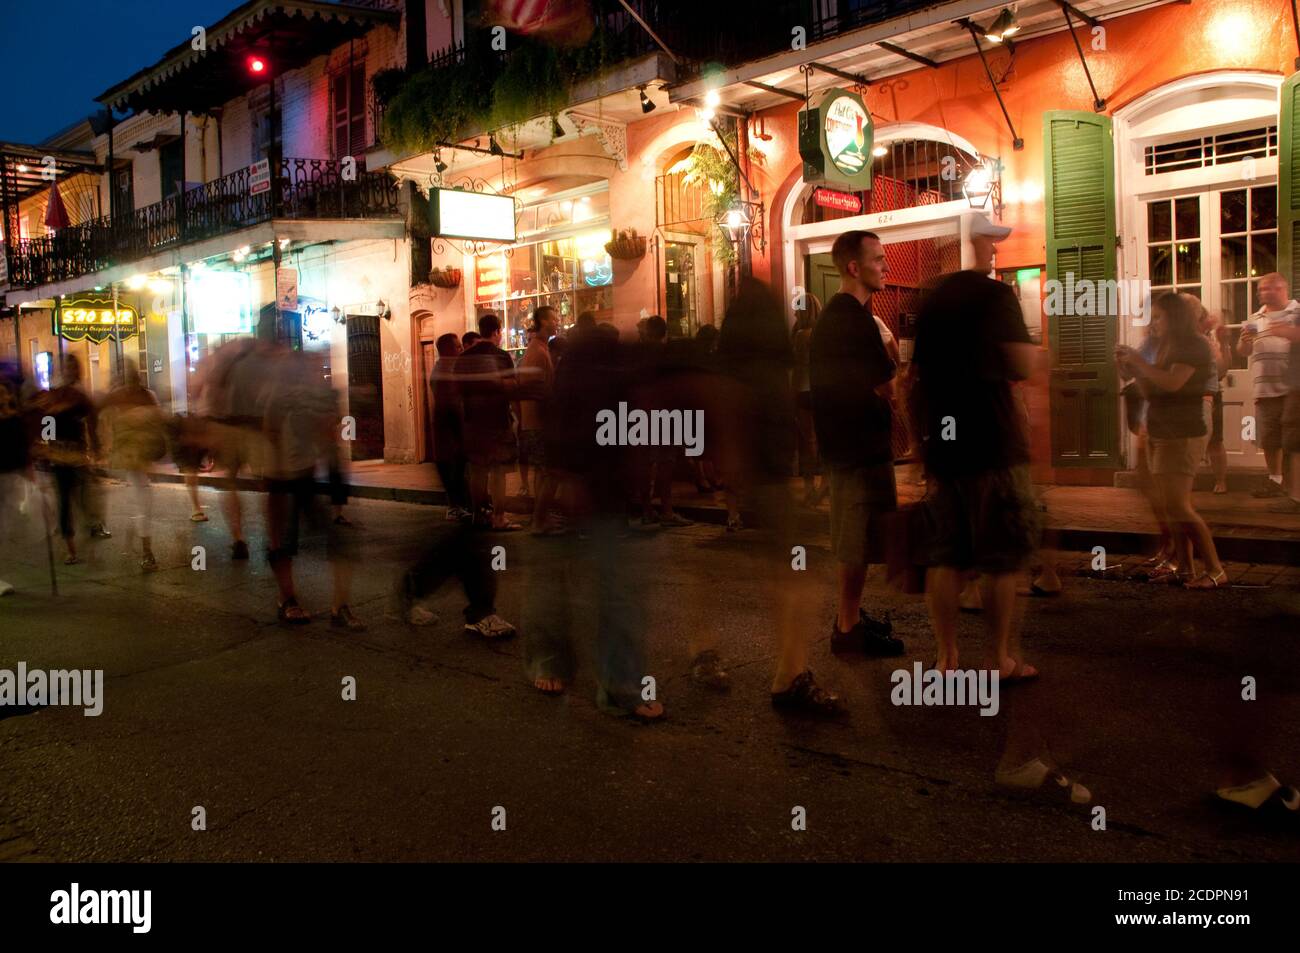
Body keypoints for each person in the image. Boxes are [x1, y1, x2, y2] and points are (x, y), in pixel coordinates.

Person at [910, 213, 1040, 677]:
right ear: (975, 243)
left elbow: (916, 375)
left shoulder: (932, 299)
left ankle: (946, 658)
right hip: (992, 442)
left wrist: (921, 445)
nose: (996, 250)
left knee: (947, 555)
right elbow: (1021, 365)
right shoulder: (996, 296)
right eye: (992, 242)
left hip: (945, 446)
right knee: (1000, 558)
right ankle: (999, 659)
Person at [808, 230, 904, 657]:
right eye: (879, 259)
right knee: (855, 537)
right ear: (853, 267)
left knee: (861, 537)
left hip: (851, 444)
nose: (885, 266)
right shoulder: (852, 319)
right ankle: (847, 628)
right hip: (856, 447)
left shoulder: (845, 316)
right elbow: (888, 383)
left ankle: (851, 617)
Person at [1117, 292, 1228, 589]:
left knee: (1180, 506)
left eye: (1159, 317)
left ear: (1174, 317)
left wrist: (1139, 361)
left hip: (1183, 431)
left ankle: (1215, 569)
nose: (1153, 323)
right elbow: (1153, 391)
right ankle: (1186, 568)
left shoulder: (1194, 345)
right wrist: (1133, 372)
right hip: (1160, 429)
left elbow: (1172, 383)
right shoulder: (1170, 347)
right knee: (1169, 506)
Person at [261, 345, 365, 628]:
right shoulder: (278, 397)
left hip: (305, 475)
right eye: (311, 366)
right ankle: (287, 600)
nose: (317, 370)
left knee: (337, 542)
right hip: (281, 478)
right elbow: (269, 433)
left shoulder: (316, 396)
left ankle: (340, 606)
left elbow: (326, 434)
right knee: (282, 543)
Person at [34, 355, 104, 565]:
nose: (70, 371)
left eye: (74, 367)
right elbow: (45, 422)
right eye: (67, 367)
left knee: (83, 498)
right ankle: (70, 547)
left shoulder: (80, 396)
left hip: (78, 453)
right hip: (59, 454)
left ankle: (89, 526)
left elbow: (91, 422)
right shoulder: (53, 395)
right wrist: (45, 446)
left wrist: (95, 447)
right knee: (64, 500)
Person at [100, 359, 167, 572]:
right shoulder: (121, 396)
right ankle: (147, 551)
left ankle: (144, 547)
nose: (129, 377)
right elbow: (99, 417)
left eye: (130, 372)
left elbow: (159, 423)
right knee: (142, 500)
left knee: (143, 500)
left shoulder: (146, 396)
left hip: (141, 457)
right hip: (132, 458)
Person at [1236, 273, 1297, 498]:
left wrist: (1288, 333)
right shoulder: (1255, 317)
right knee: (1269, 438)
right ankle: (1275, 480)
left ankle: (1293, 487)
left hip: (1293, 388)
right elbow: (1243, 352)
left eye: (1269, 288)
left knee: (1293, 440)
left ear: (1283, 289)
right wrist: (1243, 342)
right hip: (1264, 388)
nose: (1264, 293)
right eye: (1261, 289)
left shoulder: (1297, 313)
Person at [460, 314, 522, 531]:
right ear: (496, 331)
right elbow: (513, 388)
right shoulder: (502, 356)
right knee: (498, 471)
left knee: (477, 471)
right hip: (496, 421)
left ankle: (478, 514)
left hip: (472, 422)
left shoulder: (463, 357)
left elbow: (459, 391)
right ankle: (498, 516)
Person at [517, 306, 562, 535]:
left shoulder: (537, 348)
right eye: (554, 318)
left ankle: (540, 516)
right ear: (543, 321)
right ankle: (539, 521)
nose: (558, 322)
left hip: (532, 421)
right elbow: (535, 388)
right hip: (539, 422)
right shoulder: (538, 351)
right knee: (552, 473)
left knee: (542, 473)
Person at [431, 333, 472, 522]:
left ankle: (458, 505)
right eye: (457, 347)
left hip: (451, 430)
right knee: (453, 469)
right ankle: (455, 506)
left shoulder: (444, 369)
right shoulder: (446, 371)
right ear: (448, 350)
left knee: (456, 469)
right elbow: (450, 404)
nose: (461, 349)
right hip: (450, 430)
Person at [791, 295, 826, 508]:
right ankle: (825, 483)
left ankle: (810, 486)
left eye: (797, 310)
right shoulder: (822, 334)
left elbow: (795, 367)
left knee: (808, 441)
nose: (794, 314)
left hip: (804, 390)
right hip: (821, 390)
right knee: (823, 438)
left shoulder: (801, 335)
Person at [0, 362, 30, 595]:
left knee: (6, 526)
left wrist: (29, 471)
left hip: (10, 476)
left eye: (4, 392)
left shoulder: (15, 418)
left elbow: (23, 448)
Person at [1199, 305, 1231, 495]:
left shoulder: (1208, 340)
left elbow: (1222, 370)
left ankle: (1221, 481)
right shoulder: (1181, 338)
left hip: (1210, 393)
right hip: (1186, 394)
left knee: (1215, 440)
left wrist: (1224, 343)